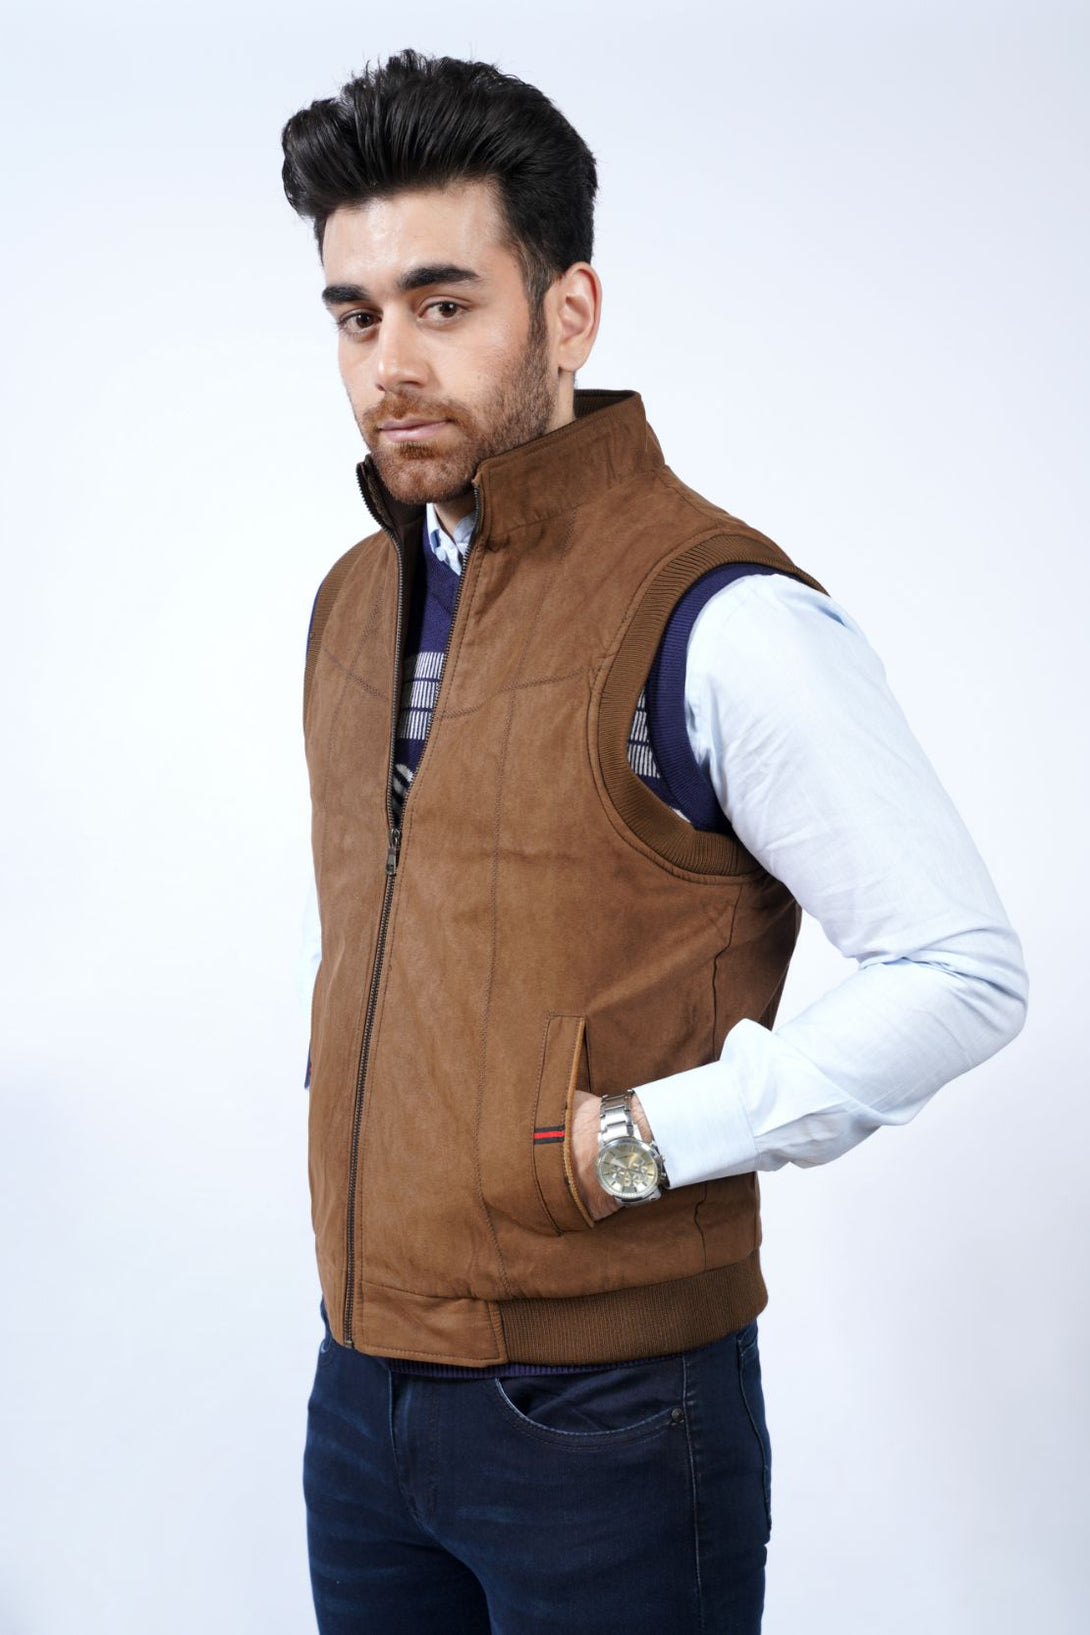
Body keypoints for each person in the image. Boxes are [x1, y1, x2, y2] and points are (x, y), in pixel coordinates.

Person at [279, 47, 1028, 1635]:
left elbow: (958, 967)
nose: (389, 364)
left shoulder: (716, 616)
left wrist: (632, 1145)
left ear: (568, 313)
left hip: (612, 1419)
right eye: (355, 315)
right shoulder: (355, 607)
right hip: (360, 1397)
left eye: (442, 303)